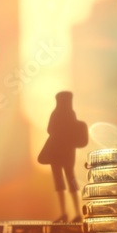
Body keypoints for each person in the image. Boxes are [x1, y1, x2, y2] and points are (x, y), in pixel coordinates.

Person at [40, 91, 87, 222]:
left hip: (56, 153)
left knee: (61, 181)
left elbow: (50, 130)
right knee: (69, 180)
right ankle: (74, 213)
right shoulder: (71, 114)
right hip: (66, 153)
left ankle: (66, 213)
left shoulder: (57, 114)